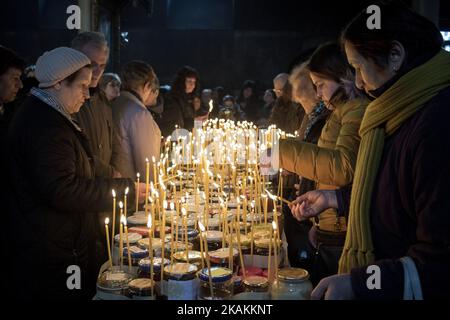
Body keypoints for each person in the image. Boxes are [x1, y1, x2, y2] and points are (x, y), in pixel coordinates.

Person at [291, 2, 450, 300]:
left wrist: (362, 283)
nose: (359, 83)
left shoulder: (436, 123)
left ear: (395, 55)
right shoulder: (395, 112)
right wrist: (335, 198)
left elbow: (439, 259)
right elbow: (393, 192)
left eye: (359, 67)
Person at [5, 47, 146, 300]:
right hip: (50, 249)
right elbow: (62, 190)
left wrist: (117, 178)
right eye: (82, 85)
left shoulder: (50, 114)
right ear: (58, 83)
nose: (87, 94)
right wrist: (128, 190)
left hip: (55, 242)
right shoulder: (45, 125)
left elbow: (80, 163)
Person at [279, 43, 368, 284]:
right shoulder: (339, 112)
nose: (318, 95)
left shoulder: (355, 110)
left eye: (321, 85)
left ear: (341, 77)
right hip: (331, 222)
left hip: (344, 228)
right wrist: (320, 221)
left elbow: (342, 167)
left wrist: (280, 151)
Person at [282, 62, 331, 270]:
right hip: (307, 197)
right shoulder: (311, 117)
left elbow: (323, 161)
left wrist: (287, 155)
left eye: (302, 101)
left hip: (319, 204)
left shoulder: (325, 118)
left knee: (308, 262)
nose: (301, 107)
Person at [72, 32, 119, 179]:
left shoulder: (103, 100)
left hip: (102, 190)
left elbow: (113, 146)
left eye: (103, 65)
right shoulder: (68, 102)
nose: (98, 71)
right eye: (92, 65)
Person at [111, 61, 161, 180]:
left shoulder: (115, 103)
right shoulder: (139, 114)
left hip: (116, 182)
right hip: (134, 185)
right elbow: (147, 164)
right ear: (147, 86)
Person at [158, 66, 199, 137]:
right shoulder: (172, 99)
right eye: (189, 81)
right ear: (181, 82)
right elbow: (176, 123)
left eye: (194, 82)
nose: (192, 85)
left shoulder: (190, 99)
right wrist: (196, 121)